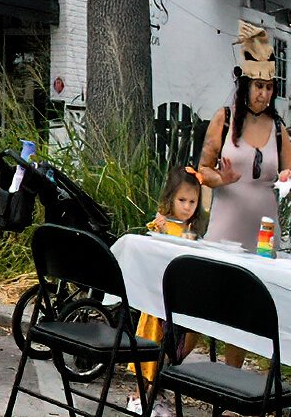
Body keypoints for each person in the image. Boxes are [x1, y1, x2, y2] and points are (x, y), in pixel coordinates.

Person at [197, 21, 291, 370]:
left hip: (264, 238)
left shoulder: (280, 129)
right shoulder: (224, 119)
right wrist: (221, 178)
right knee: (204, 306)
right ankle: (165, 370)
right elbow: (202, 171)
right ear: (244, 84)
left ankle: (237, 386)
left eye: (270, 87)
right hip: (224, 233)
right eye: (258, 86)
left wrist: (290, 180)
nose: (265, 95)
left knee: (249, 315)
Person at [128, 165, 206, 416]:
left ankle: (156, 393)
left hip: (178, 301)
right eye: (182, 200)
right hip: (156, 300)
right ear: (170, 199)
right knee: (151, 346)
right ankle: (140, 394)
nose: (187, 206)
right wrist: (158, 227)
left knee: (176, 347)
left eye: (192, 201)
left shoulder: (192, 233)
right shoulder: (163, 226)